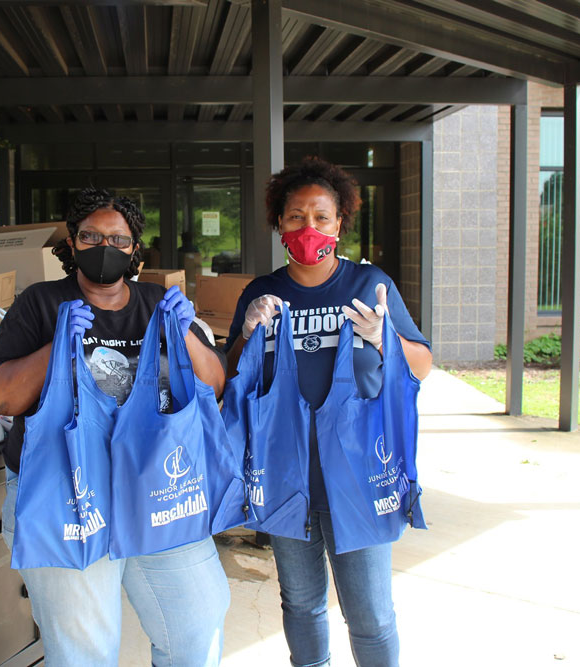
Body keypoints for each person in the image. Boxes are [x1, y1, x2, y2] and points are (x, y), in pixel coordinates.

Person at [0, 188, 230, 667]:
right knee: (84, 651)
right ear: (71, 243)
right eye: (91, 235)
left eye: (118, 238)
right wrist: (55, 347)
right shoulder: (39, 304)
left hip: (160, 489)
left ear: (135, 248)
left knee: (196, 619)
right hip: (68, 495)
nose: (104, 247)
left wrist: (186, 336)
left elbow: (214, 384)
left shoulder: (157, 302)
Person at [224, 157, 433, 667]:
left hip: (359, 474)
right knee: (300, 603)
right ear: (279, 226)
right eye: (296, 217)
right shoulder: (261, 293)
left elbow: (422, 364)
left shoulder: (369, 284)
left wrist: (385, 339)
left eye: (321, 216)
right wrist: (248, 333)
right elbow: (229, 376)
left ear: (339, 224)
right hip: (285, 474)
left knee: (370, 614)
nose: (309, 228)